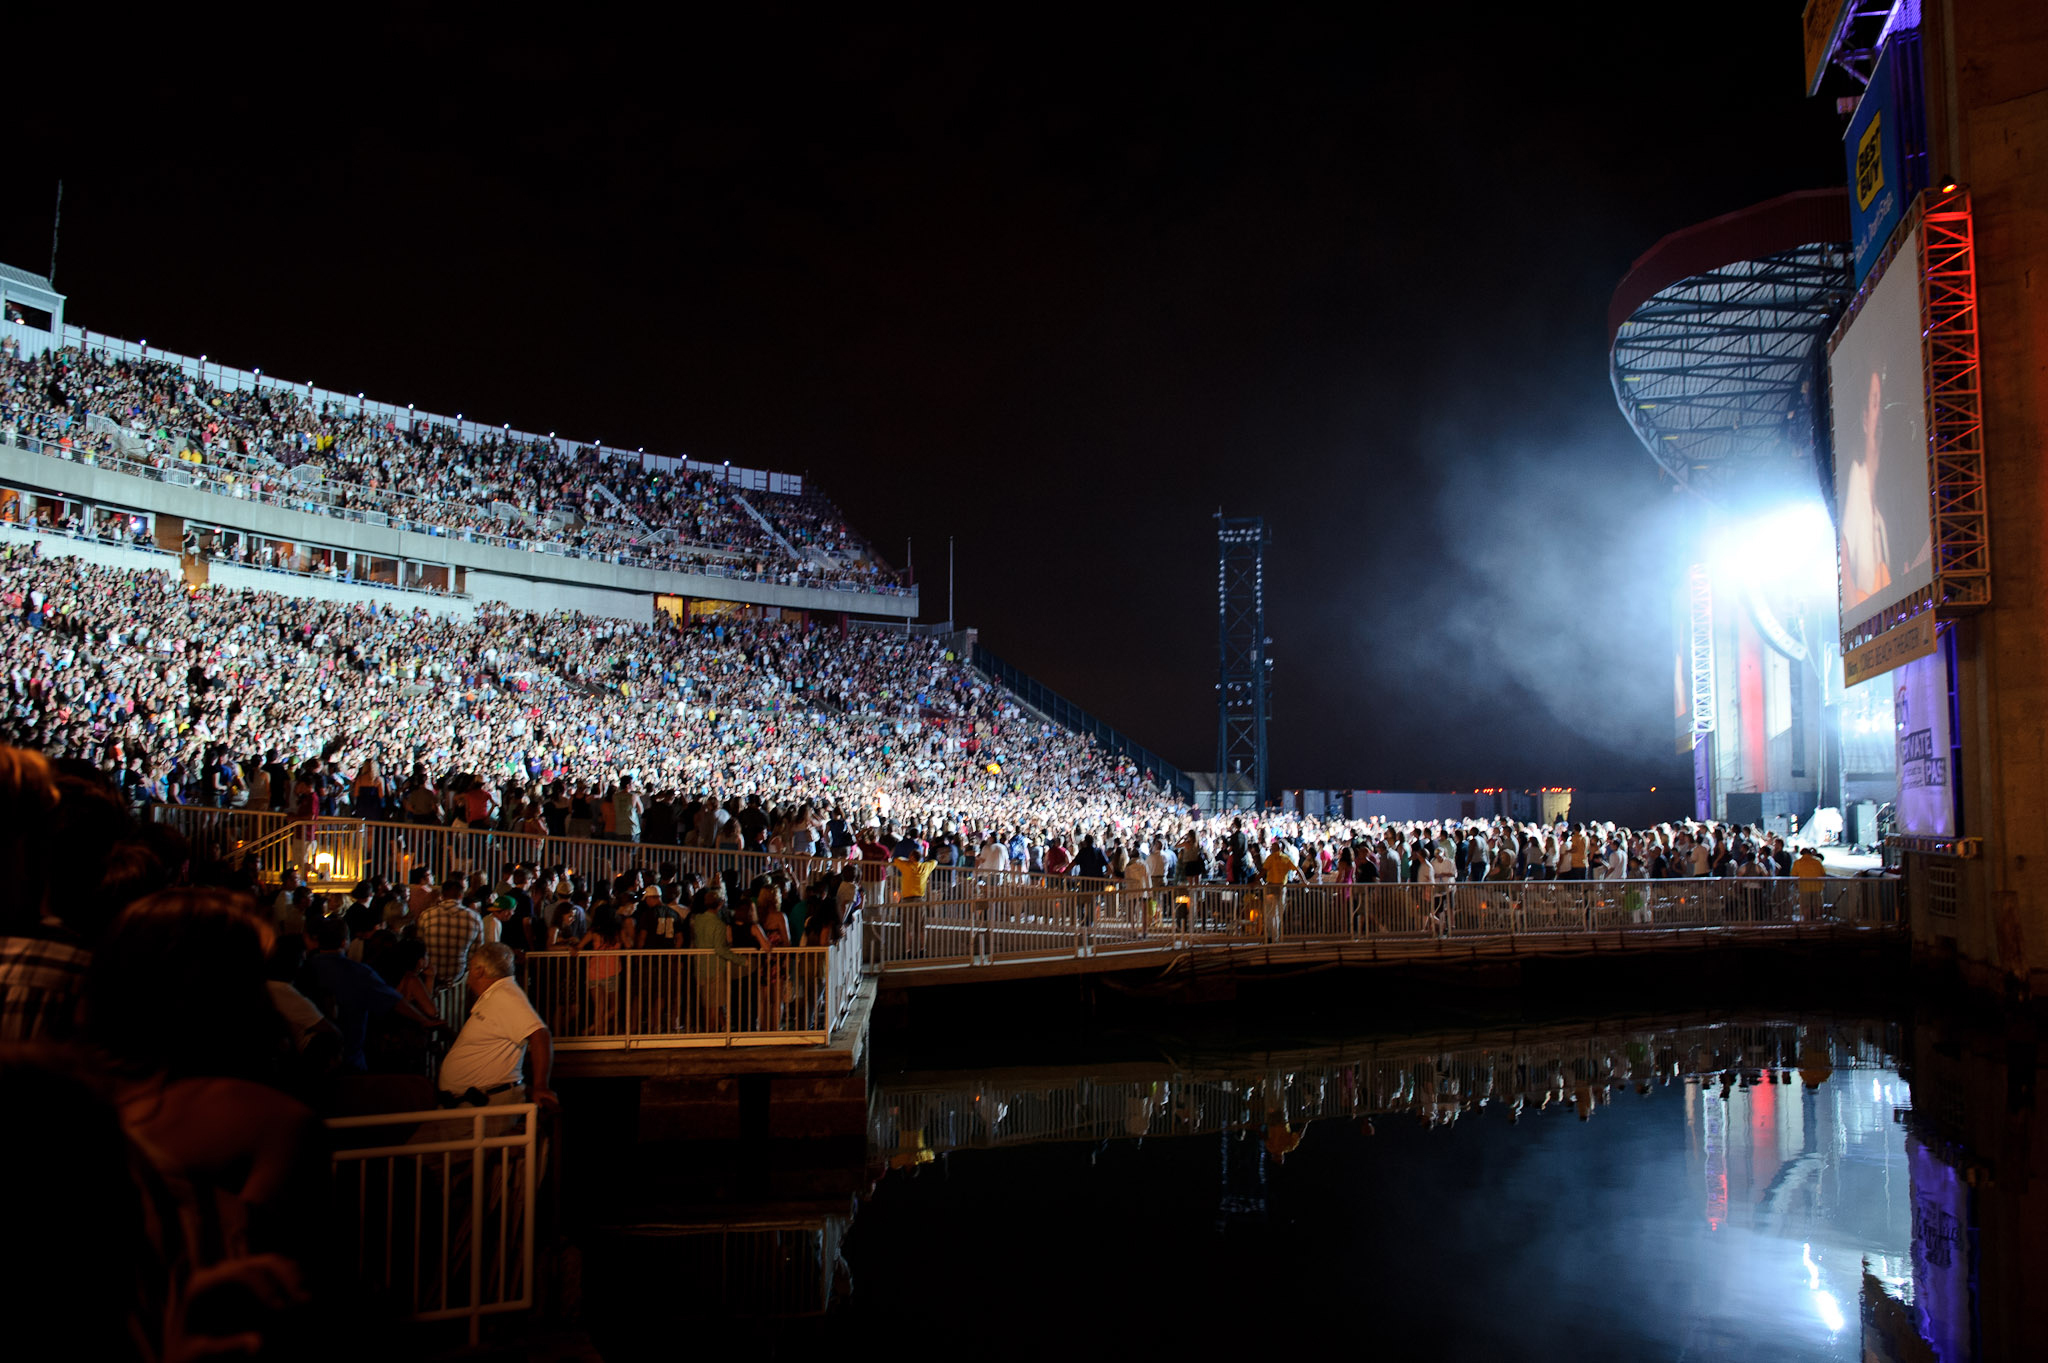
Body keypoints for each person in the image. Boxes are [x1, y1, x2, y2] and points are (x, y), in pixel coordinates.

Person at [437, 942, 556, 1110]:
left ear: (480, 970)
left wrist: (540, 1086)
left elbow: (540, 1035)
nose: (468, 975)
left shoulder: (505, 995)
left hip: (483, 1103)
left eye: (470, 968)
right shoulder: (494, 995)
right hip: (472, 1101)